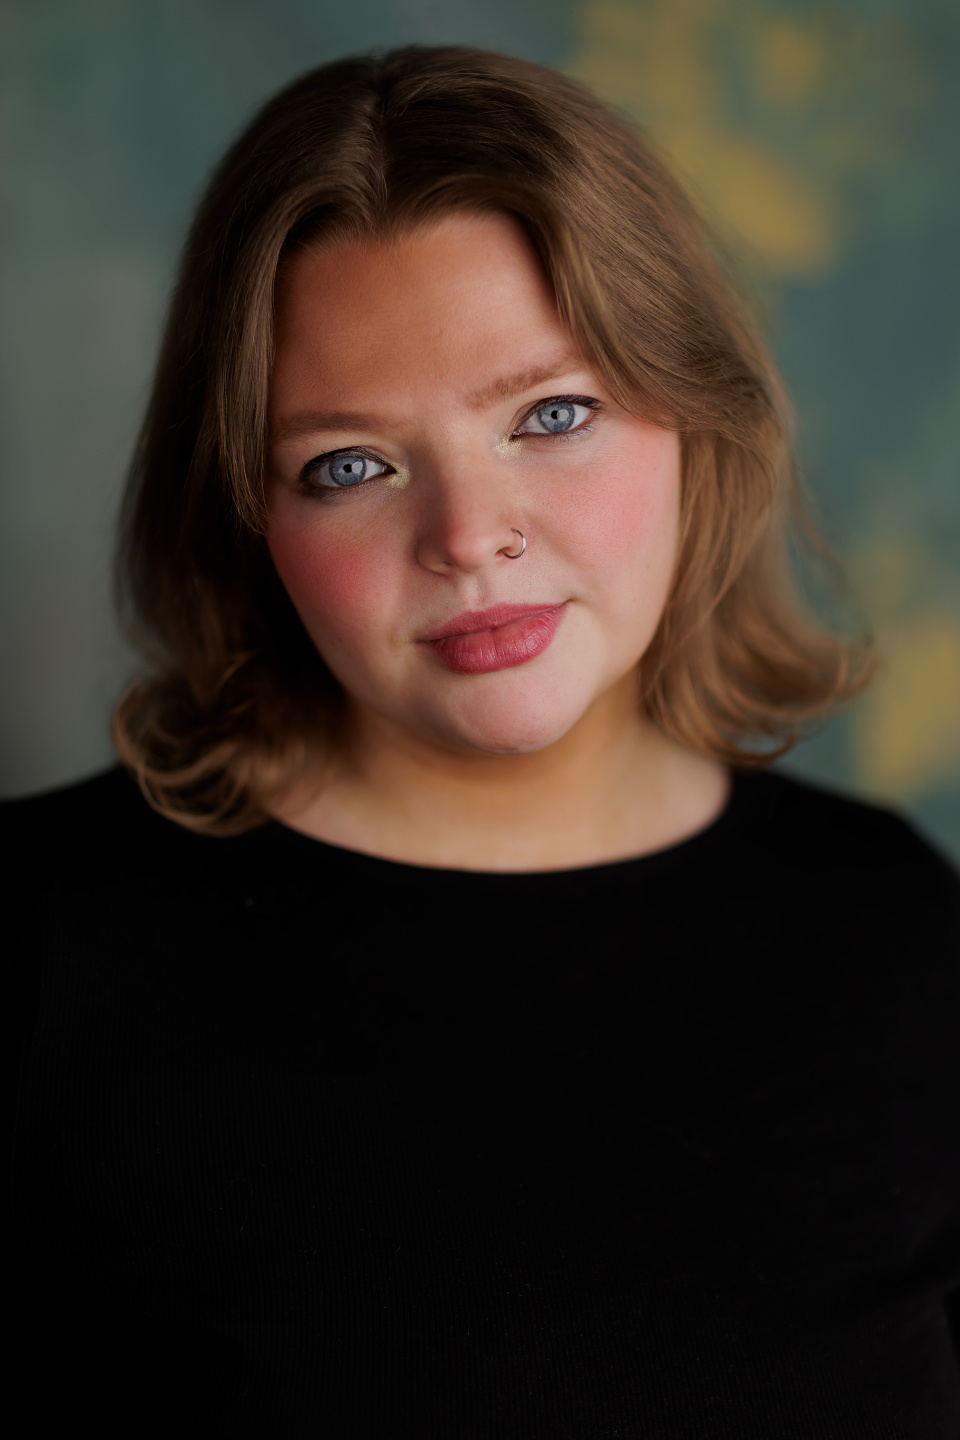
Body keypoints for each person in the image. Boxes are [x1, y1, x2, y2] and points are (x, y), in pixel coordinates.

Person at [7, 46, 959, 1438]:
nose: (465, 537)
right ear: (248, 518)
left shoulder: (894, 933)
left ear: (697, 419)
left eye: (551, 416)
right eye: (349, 465)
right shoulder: (47, 949)